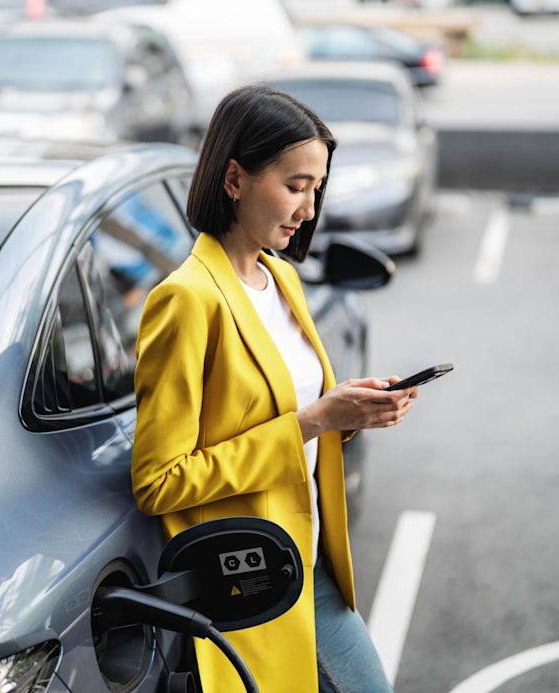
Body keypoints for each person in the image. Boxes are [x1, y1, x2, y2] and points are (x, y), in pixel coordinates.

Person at [131, 84, 418, 693]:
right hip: (249, 582)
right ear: (234, 179)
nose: (309, 210)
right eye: (295, 185)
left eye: (317, 188)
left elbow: (289, 404)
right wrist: (312, 421)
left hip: (308, 567)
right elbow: (160, 481)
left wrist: (349, 408)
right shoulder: (187, 299)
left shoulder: (281, 277)